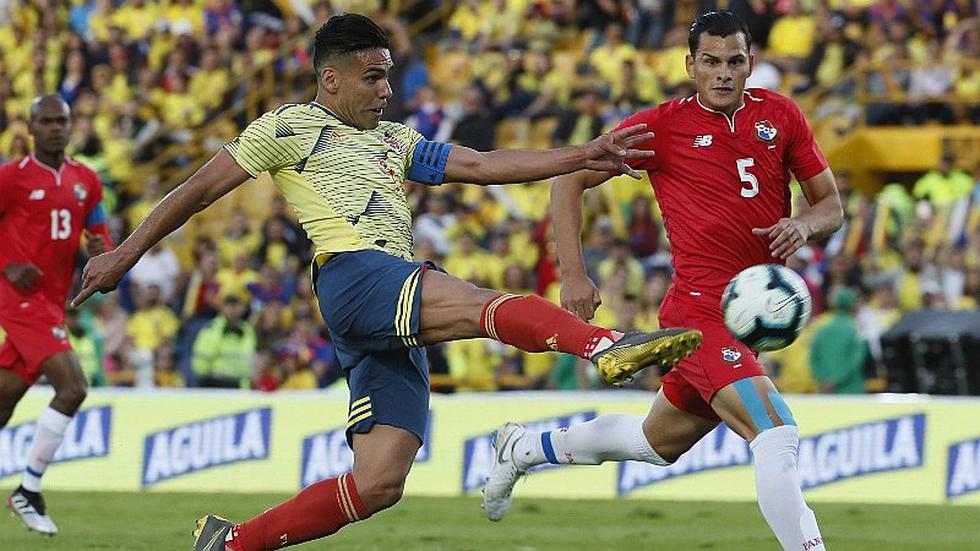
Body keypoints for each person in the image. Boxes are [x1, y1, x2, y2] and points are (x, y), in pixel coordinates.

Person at [70, 14, 702, 551]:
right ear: (331, 78)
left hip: (385, 308)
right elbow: (198, 191)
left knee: (378, 484)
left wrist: (582, 154)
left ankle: (230, 542)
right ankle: (605, 346)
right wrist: (125, 254)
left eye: (389, 75)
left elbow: (481, 165)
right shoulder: (284, 128)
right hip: (354, 276)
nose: (385, 89)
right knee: (480, 303)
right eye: (373, 76)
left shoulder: (395, 139)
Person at [484, 12, 844, 551]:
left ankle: (526, 448)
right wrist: (574, 274)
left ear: (751, 63)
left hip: (743, 320)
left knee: (656, 443)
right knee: (776, 431)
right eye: (711, 62)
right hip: (698, 315)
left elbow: (831, 208)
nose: (723, 73)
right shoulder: (662, 127)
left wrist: (803, 224)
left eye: (735, 62)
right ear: (690, 65)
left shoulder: (782, 116)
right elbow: (569, 179)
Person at [0, 95, 111, 536]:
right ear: (30, 127)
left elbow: (97, 230)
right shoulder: (11, 178)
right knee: (73, 387)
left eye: (61, 121)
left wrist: (102, 254)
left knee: (4, 402)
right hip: (17, 298)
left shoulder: (87, 179)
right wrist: (6, 263)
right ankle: (28, 489)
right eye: (45, 121)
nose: (54, 128)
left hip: (51, 301)